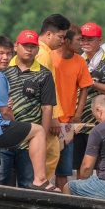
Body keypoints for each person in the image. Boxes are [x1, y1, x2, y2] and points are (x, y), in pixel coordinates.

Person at [0, 35, 55, 190]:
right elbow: (6, 112)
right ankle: (40, 180)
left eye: (8, 54)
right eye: (1, 53)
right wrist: (18, 132)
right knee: (38, 131)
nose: (5, 58)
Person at [0, 30, 57, 188]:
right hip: (4, 136)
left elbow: (47, 108)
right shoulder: (4, 70)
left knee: (29, 185)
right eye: (25, 46)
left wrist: (42, 138)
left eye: (33, 46)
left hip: (30, 141)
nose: (29, 49)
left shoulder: (44, 74)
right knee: (2, 183)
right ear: (16, 46)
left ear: (37, 49)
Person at [74, 22, 105, 169]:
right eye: (82, 39)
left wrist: (92, 83)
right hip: (77, 122)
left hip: (98, 122)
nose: (85, 43)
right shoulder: (77, 60)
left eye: (90, 39)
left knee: (97, 164)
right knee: (78, 165)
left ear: (99, 40)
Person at [51, 29, 94, 188]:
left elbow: (85, 88)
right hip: (48, 120)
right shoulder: (49, 57)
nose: (82, 44)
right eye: (79, 40)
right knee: (42, 166)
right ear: (67, 41)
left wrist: (78, 113)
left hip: (67, 123)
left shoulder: (80, 61)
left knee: (63, 171)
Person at [37, 14, 70, 175]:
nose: (63, 41)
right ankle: (40, 182)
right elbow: (42, 87)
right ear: (49, 34)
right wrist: (53, 117)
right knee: (50, 153)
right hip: (43, 114)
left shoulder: (41, 51)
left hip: (41, 112)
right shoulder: (43, 55)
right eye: (60, 37)